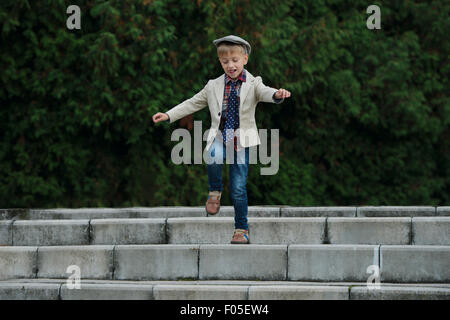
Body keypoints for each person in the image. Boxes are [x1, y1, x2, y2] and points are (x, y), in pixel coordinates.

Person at [153, 35, 291, 244]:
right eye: (226, 62)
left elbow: (265, 92)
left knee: (238, 187)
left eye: (235, 60)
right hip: (220, 135)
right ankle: (215, 191)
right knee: (214, 154)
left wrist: (277, 95)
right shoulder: (213, 86)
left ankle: (241, 229)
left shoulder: (254, 83)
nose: (231, 65)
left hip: (241, 141)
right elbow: (192, 103)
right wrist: (169, 115)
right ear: (220, 63)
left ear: (245, 59)